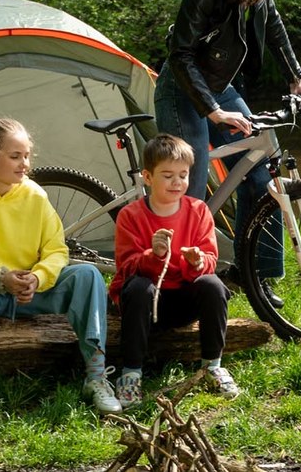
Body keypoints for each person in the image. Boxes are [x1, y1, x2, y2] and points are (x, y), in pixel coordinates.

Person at [155, 0, 301, 308]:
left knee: (261, 175)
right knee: (188, 188)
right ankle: (177, 283)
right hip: (184, 89)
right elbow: (180, 53)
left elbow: (274, 25)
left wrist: (296, 78)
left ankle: (256, 275)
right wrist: (210, 108)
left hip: (221, 86)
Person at [0, 117, 121, 428]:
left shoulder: (35, 195)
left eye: (27, 155)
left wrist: (38, 277)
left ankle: (96, 377)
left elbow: (56, 251)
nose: (25, 163)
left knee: (88, 275)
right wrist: (0, 277)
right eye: (15, 156)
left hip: (33, 290)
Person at [110, 134, 239, 409]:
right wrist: (153, 255)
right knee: (137, 287)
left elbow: (210, 259)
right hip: (146, 305)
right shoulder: (130, 216)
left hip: (183, 300)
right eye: (167, 175)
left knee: (213, 285)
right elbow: (126, 267)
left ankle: (212, 366)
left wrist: (196, 262)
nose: (177, 182)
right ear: (147, 177)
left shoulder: (199, 211)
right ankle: (131, 373)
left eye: (183, 174)